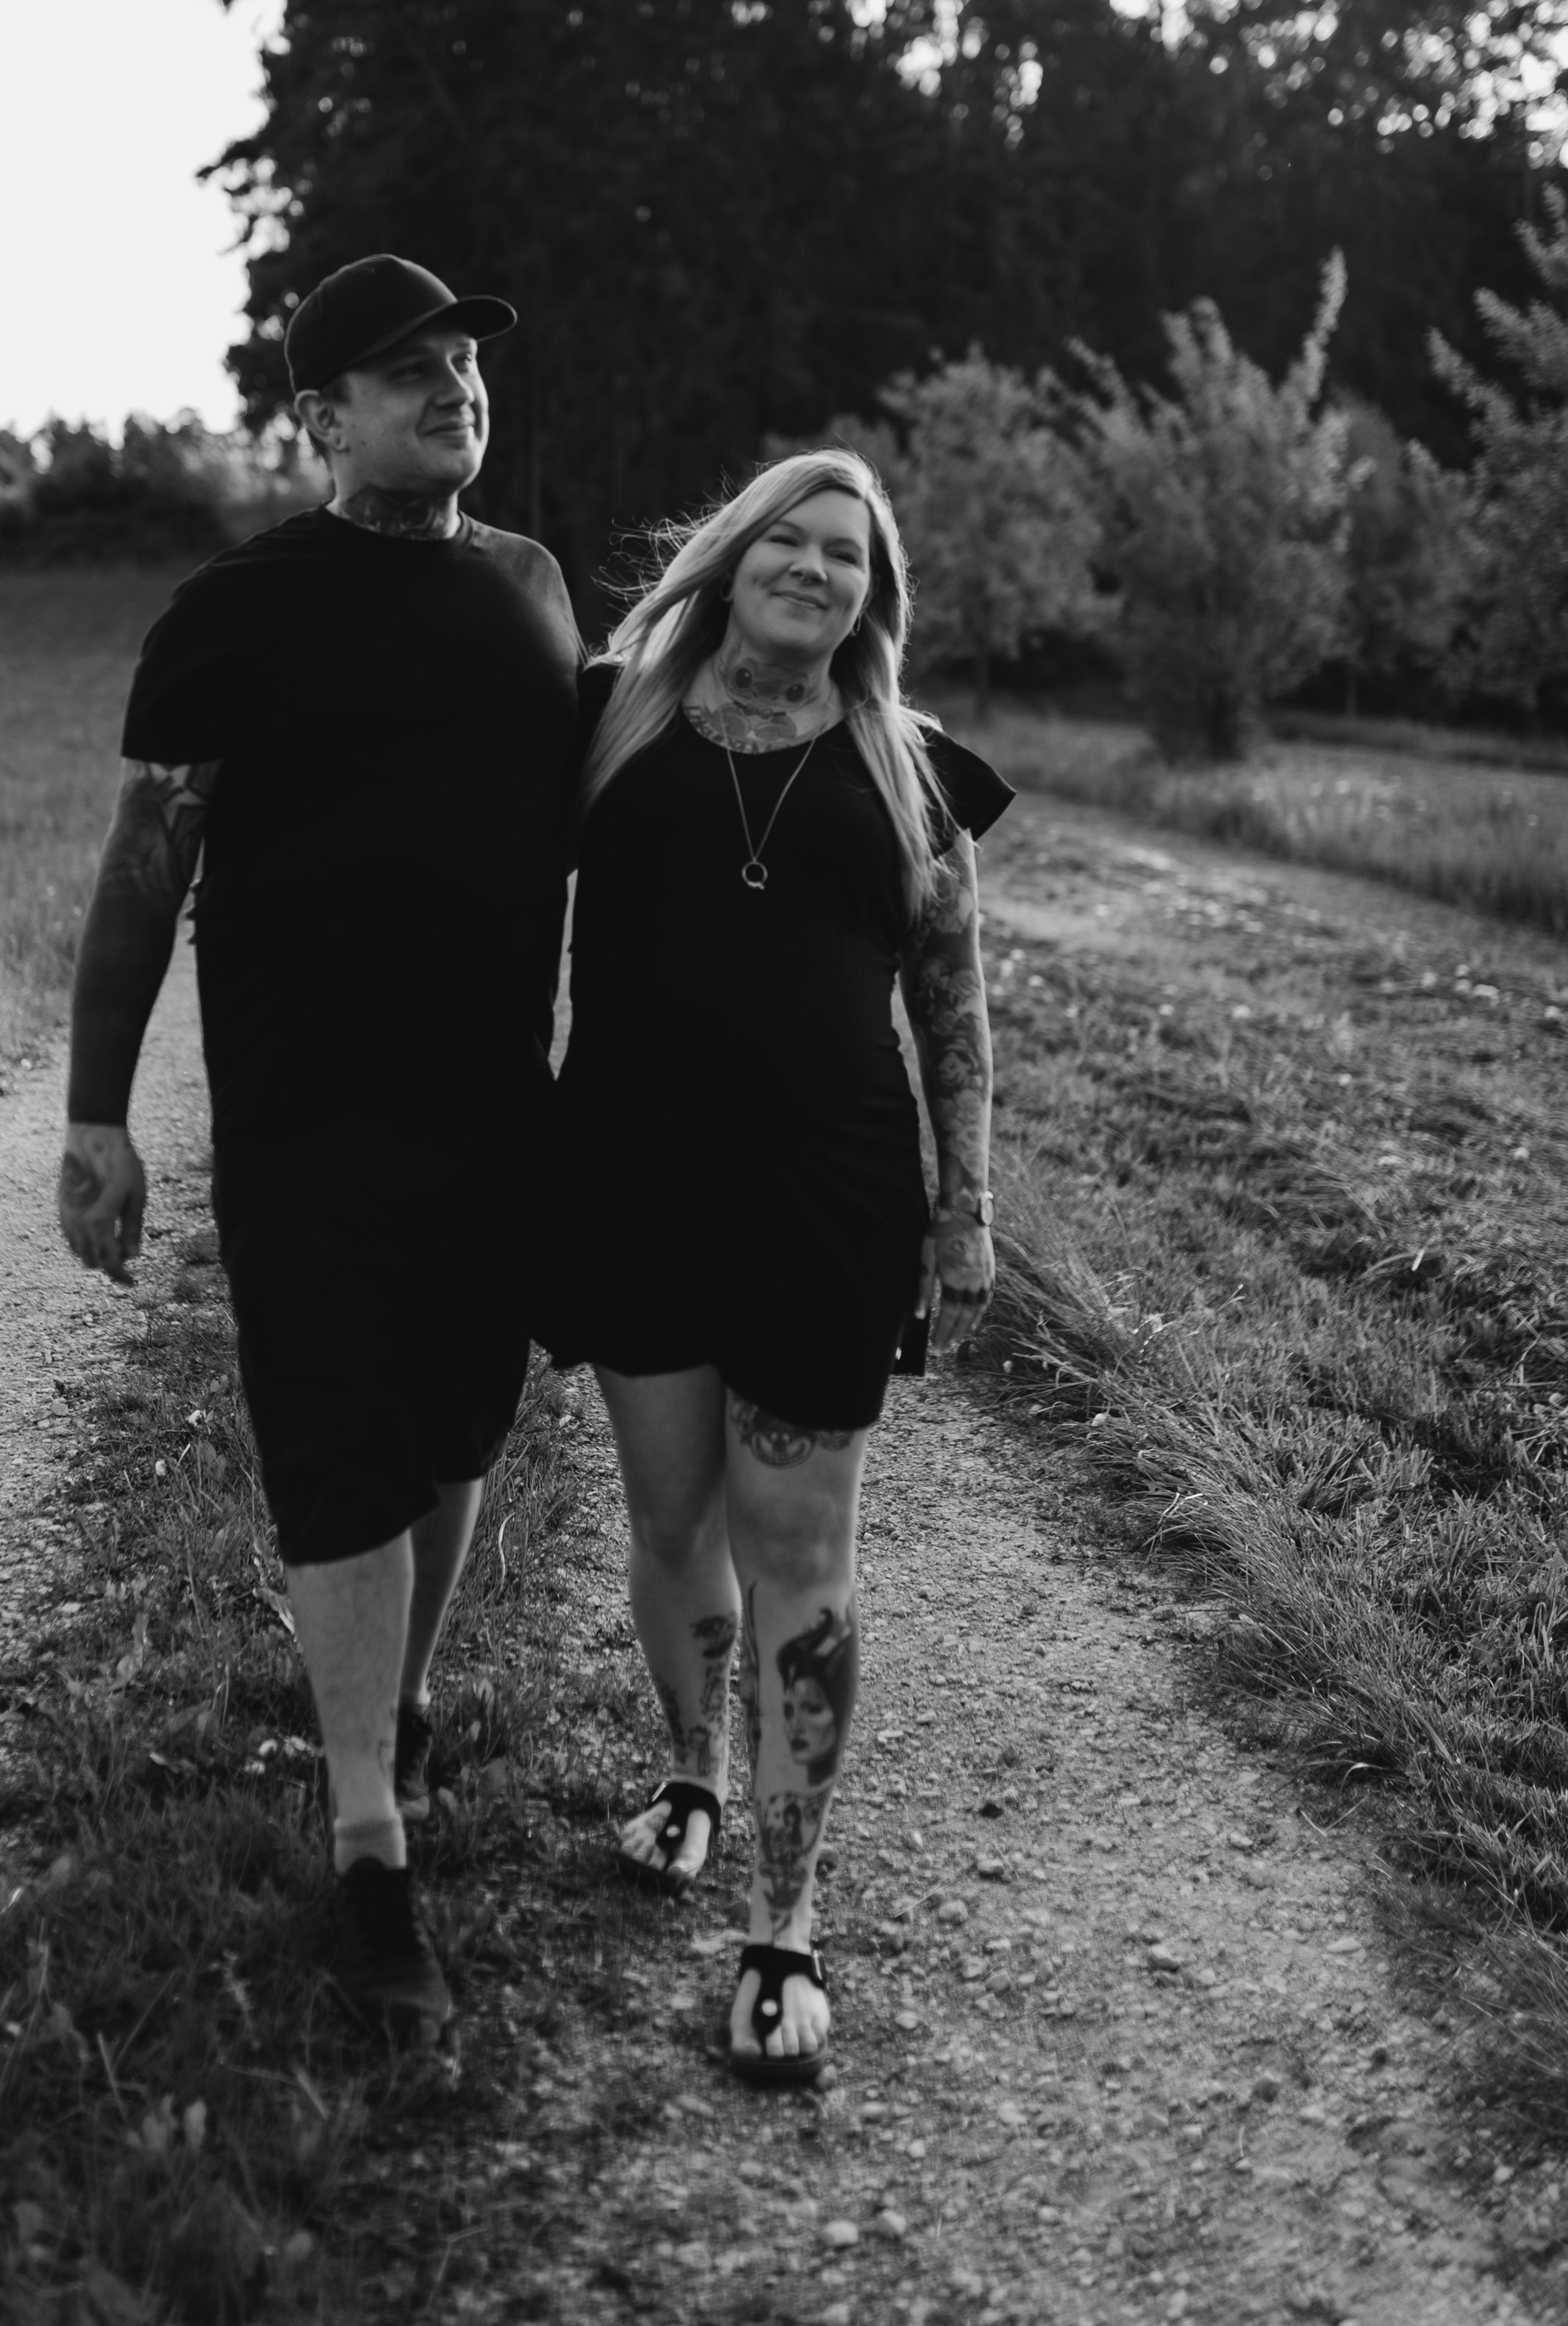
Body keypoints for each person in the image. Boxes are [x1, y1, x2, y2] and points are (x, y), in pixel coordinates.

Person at [56, 254, 580, 2043]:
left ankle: (402, 1706)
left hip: (495, 1112)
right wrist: (96, 1115)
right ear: (316, 419)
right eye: (405, 370)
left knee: (457, 1429)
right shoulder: (236, 610)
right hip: (307, 1119)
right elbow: (146, 867)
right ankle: (368, 1844)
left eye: (462, 365)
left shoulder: (528, 589)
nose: (452, 389)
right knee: (345, 1452)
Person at [545, 446, 1012, 2088]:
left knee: (798, 1549)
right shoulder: (612, 720)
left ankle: (782, 1922)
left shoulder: (909, 767)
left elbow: (949, 1004)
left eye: (849, 557)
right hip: (627, 1181)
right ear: (732, 558)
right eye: (791, 543)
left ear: (872, 600)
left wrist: (962, 1209)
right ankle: (689, 1775)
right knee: (671, 1520)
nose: (817, 571)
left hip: (826, 1201)